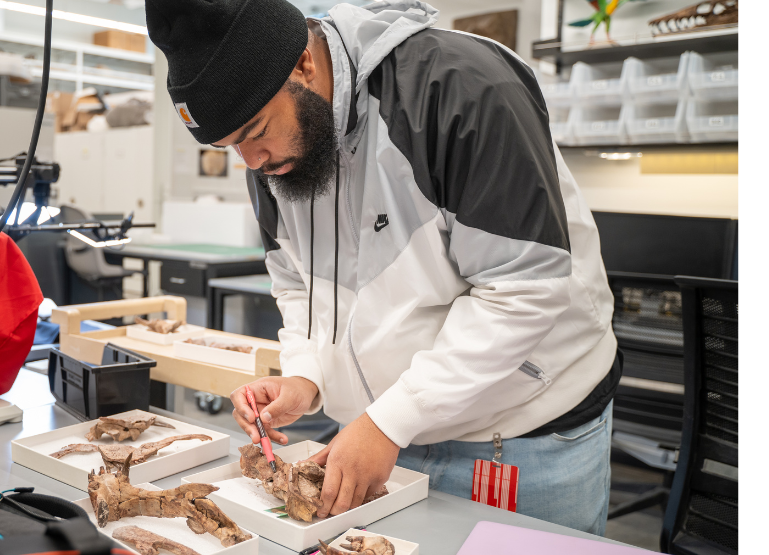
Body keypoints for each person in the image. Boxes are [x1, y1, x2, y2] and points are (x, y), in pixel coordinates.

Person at [145, 0, 621, 535]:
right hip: (383, 437)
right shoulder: (274, 146)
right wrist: (306, 374)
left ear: (303, 64)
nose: (251, 163)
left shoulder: (461, 89)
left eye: (254, 132)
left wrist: (391, 420)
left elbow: (523, 287)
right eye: (231, 146)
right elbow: (297, 283)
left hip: (517, 434)